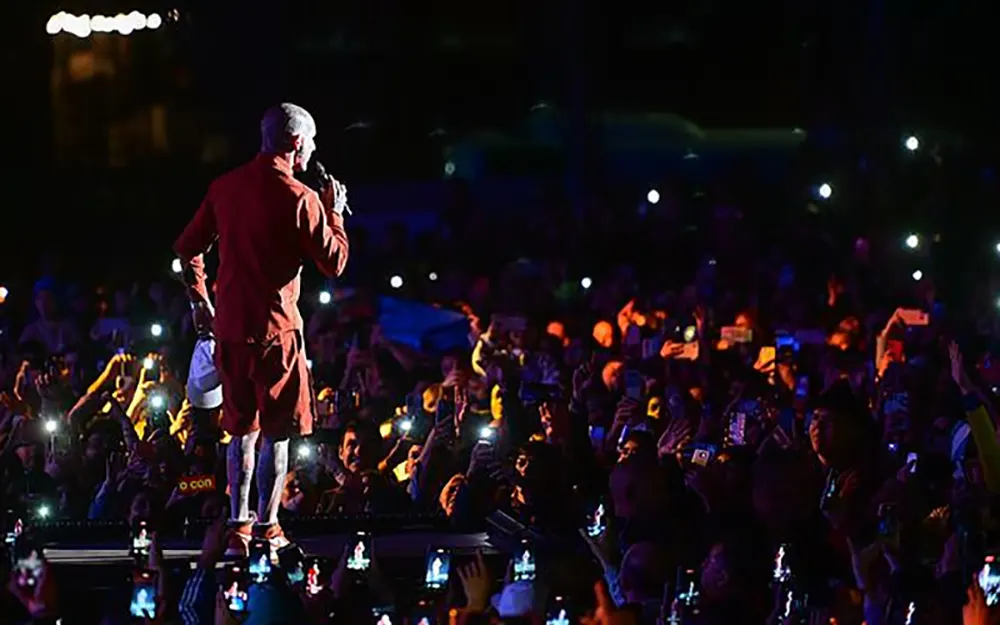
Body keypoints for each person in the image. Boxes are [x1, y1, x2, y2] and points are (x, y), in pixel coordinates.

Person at [173, 102, 350, 555]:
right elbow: (334, 262)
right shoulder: (301, 198)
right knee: (277, 435)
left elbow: (186, 248)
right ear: (296, 144)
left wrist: (200, 304)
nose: (312, 150)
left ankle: (238, 526)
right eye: (310, 143)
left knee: (241, 431)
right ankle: (269, 526)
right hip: (277, 334)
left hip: (230, 329)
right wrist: (335, 213)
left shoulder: (225, 187)